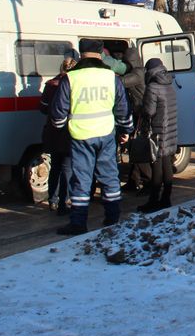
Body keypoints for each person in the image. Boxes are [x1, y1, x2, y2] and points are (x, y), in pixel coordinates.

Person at [49, 38, 133, 235]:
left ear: (81, 53)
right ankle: (112, 218)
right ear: (100, 53)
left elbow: (57, 113)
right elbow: (123, 108)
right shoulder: (111, 76)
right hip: (106, 134)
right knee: (110, 177)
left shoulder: (71, 78)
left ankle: (78, 223)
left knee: (81, 180)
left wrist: (61, 127)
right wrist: (125, 131)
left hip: (81, 136)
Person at [39, 50, 79, 215]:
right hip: (69, 132)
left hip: (53, 132)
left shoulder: (50, 84)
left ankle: (53, 200)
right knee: (68, 168)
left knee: (55, 167)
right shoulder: (74, 84)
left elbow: (42, 108)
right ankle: (65, 202)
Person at [137, 58, 178, 213]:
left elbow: (149, 111)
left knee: (157, 167)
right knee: (167, 165)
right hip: (170, 130)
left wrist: (139, 108)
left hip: (158, 131)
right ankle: (166, 198)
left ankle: (154, 200)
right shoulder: (169, 84)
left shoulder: (153, 87)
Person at [121, 47, 150, 193]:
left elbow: (121, 82)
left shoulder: (137, 73)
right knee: (134, 148)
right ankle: (133, 180)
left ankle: (147, 182)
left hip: (141, 115)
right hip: (137, 114)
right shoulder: (138, 71)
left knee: (139, 149)